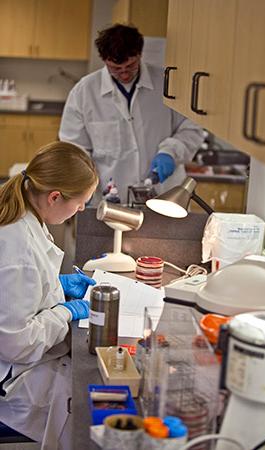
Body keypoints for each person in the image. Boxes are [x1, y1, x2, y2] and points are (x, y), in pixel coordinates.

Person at [0, 141, 98, 450]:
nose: (81, 209)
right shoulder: (19, 247)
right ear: (55, 197)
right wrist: (66, 312)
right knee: (81, 406)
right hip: (11, 378)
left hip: (17, 362)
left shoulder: (25, 217)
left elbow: (18, 291)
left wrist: (57, 285)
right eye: (81, 202)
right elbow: (17, 343)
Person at [59, 23, 206, 204]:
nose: (124, 74)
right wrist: (82, 187)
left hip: (164, 194)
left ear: (139, 54)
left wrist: (171, 152)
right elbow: (73, 148)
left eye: (130, 66)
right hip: (108, 197)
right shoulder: (84, 92)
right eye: (115, 68)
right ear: (104, 60)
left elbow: (193, 127)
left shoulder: (167, 84)